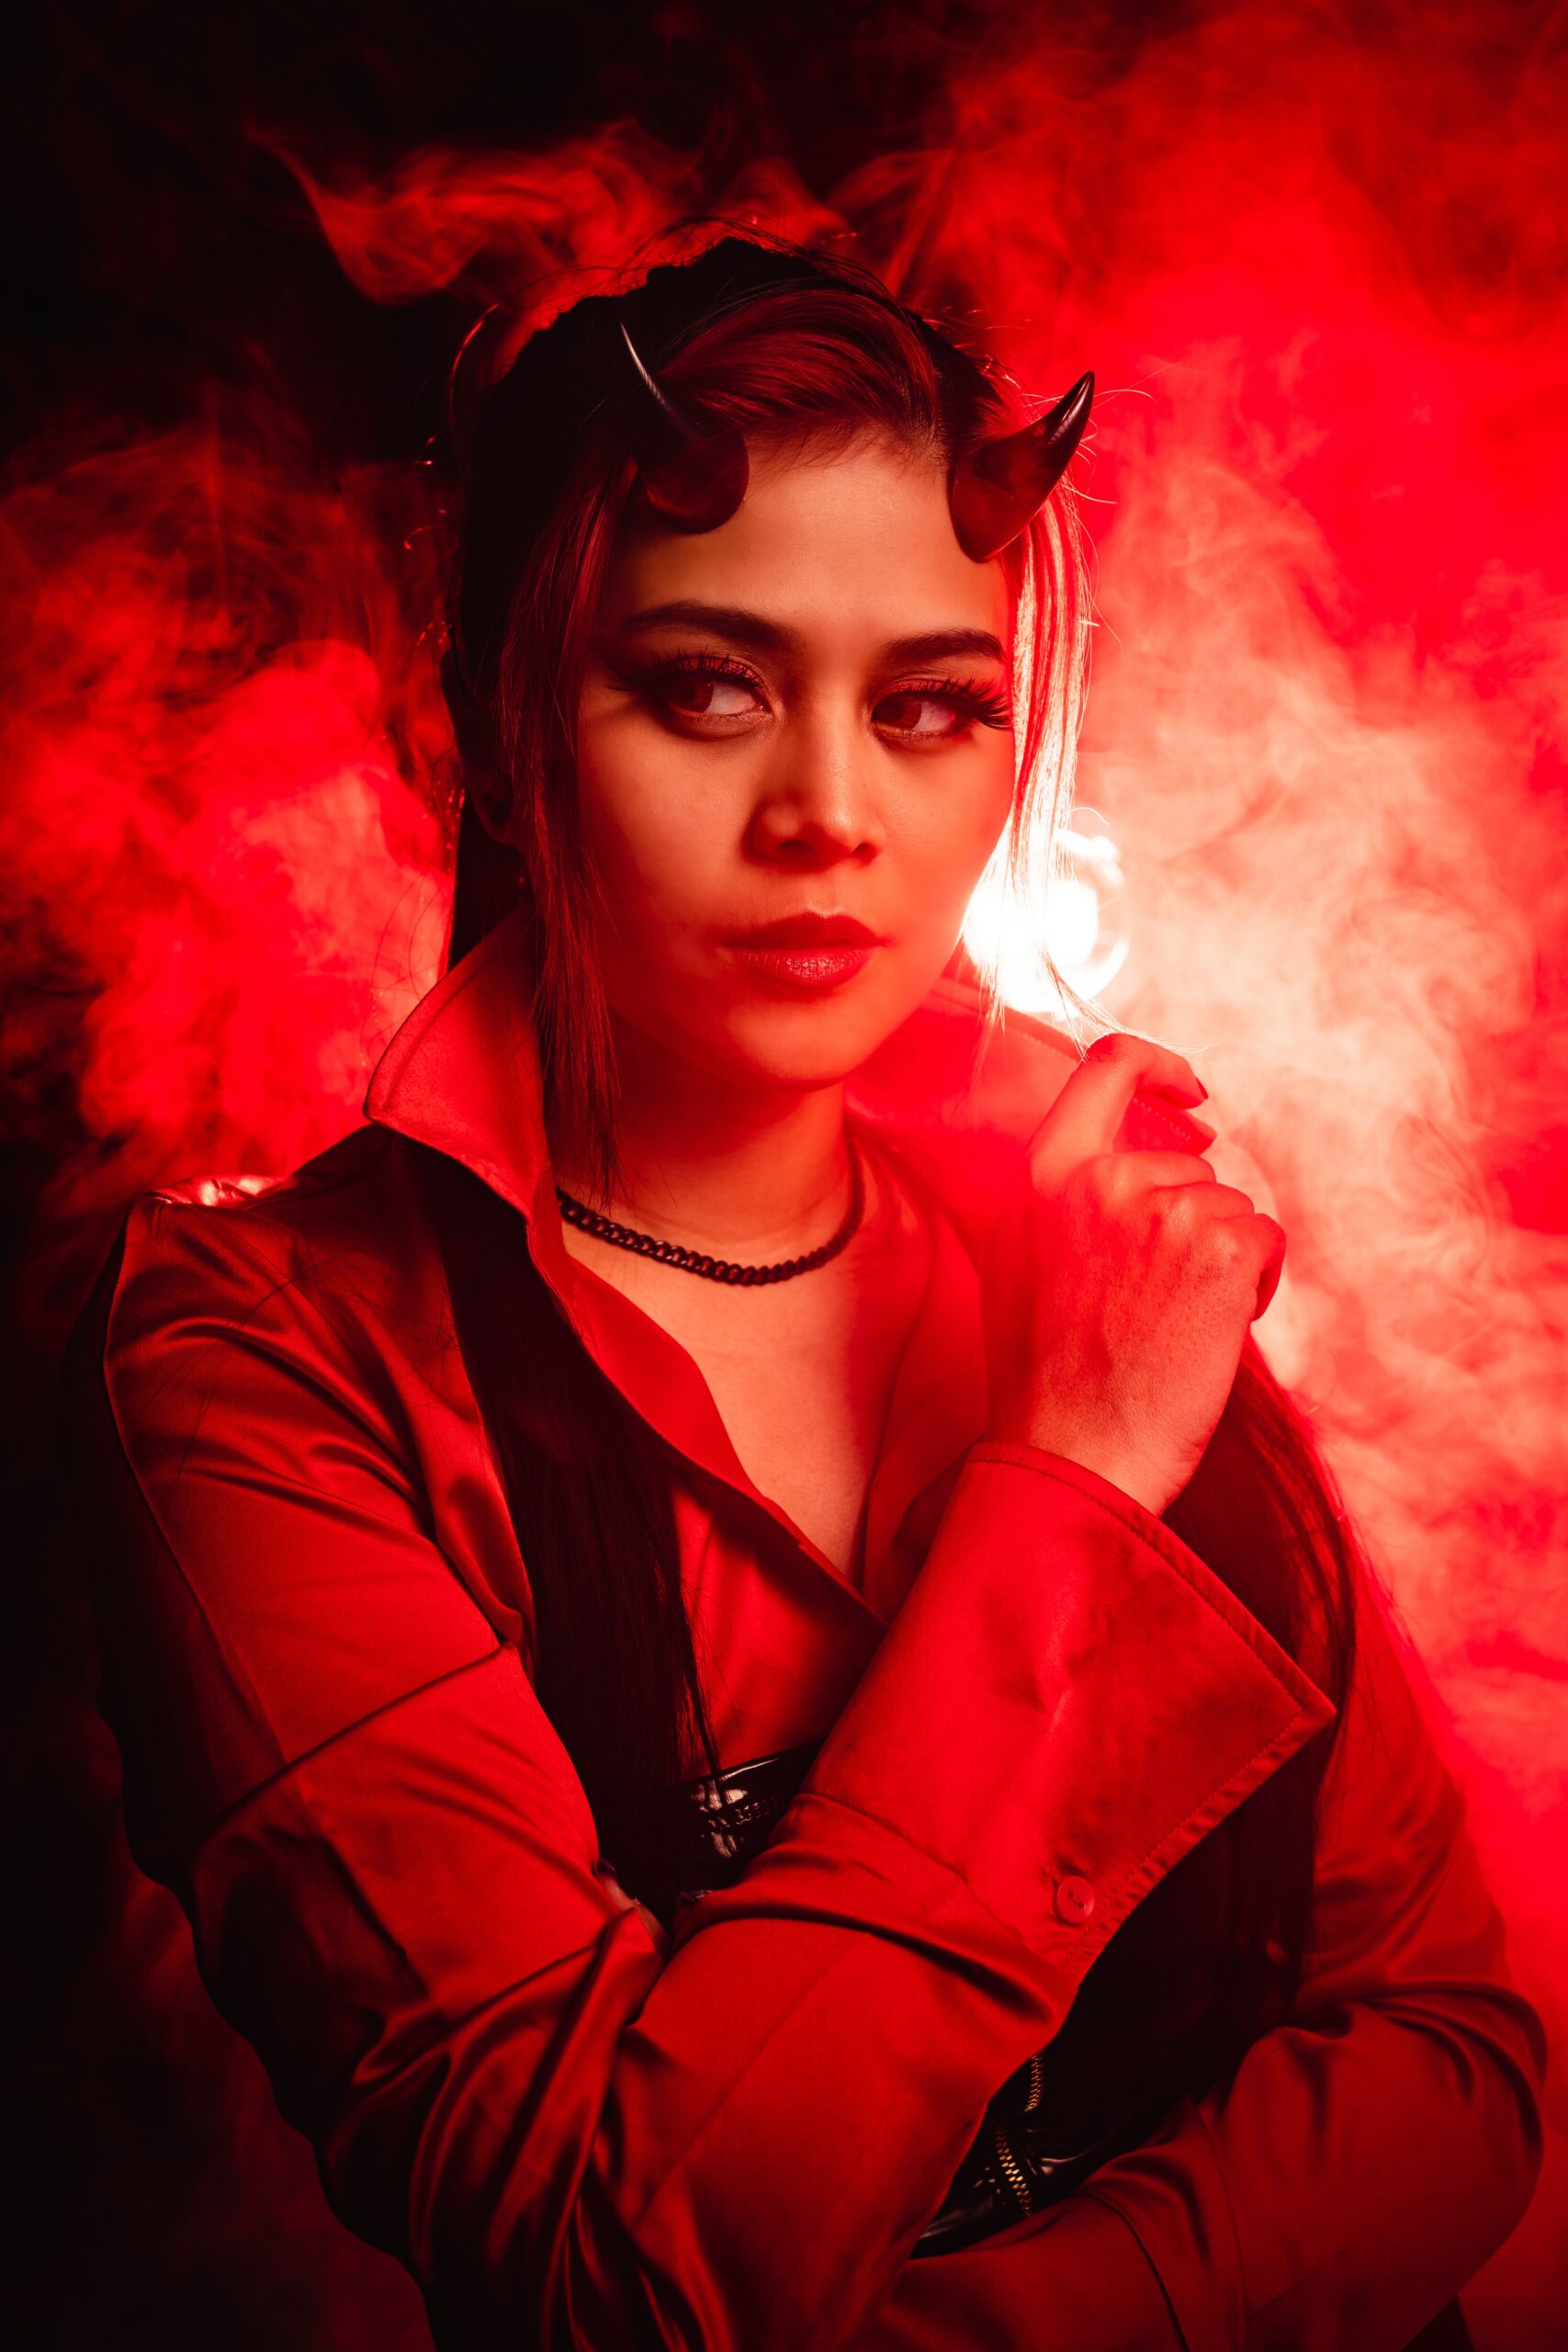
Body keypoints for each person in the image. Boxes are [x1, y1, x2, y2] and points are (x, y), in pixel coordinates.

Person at [61, 232, 1544, 2350]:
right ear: (497, 726)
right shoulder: (263, 1362)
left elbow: (1450, 2062)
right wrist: (1069, 1484)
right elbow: (609, 2278)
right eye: (703, 685)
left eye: (927, 704)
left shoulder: (1102, 1221)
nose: (829, 814)